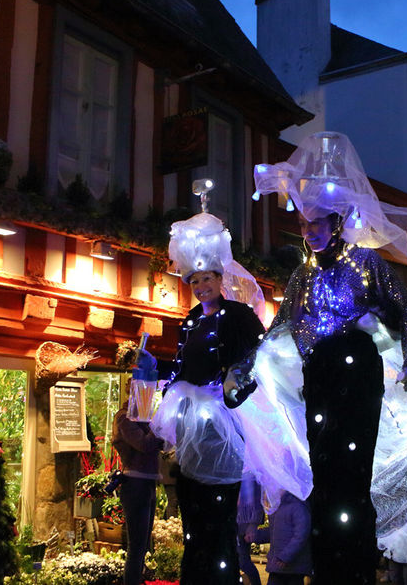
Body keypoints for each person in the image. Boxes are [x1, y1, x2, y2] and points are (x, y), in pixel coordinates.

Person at [227, 132, 407, 583]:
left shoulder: (367, 263)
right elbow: (280, 325)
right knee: (325, 471)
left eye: (317, 223)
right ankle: (330, 566)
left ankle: (354, 567)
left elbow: (405, 309)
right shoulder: (303, 275)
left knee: (351, 471)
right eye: (303, 225)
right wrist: (242, 369)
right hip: (318, 374)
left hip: (357, 371)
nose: (309, 232)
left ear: (337, 221)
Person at [141, 211, 267, 585]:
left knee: (218, 522)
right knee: (193, 521)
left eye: (206, 278)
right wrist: (155, 366)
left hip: (223, 429)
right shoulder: (192, 319)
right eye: (193, 280)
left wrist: (233, 384)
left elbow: (258, 360)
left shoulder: (240, 316)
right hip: (191, 433)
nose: (199, 286)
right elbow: (182, 369)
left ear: (219, 277)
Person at [112, 407, 165, 585]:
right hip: (134, 483)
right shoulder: (125, 416)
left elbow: (160, 443)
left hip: (147, 482)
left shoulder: (144, 414)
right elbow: (144, 444)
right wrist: (159, 425)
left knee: (143, 546)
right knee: (137, 546)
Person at [249, 490, 311, 585]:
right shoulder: (277, 507)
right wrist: (256, 536)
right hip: (278, 564)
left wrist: (285, 557)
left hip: (293, 568)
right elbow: (273, 531)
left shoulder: (297, 505)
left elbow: (301, 535)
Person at [236, 472, 264, 585]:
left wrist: (253, 524)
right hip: (235, 521)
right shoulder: (236, 473)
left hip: (245, 522)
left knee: (243, 561)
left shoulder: (254, 475)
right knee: (238, 560)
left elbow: (258, 503)